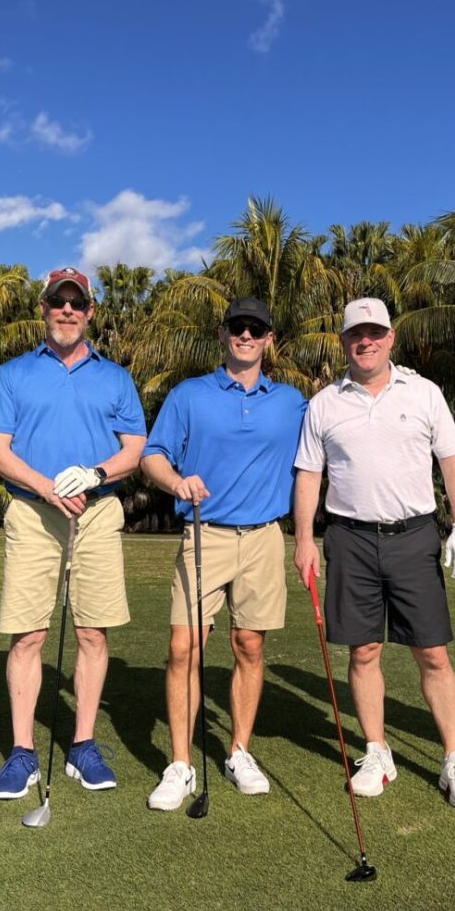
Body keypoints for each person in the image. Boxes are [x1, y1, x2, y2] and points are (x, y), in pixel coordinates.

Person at [292, 298, 455, 809]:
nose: (366, 341)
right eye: (357, 334)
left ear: (390, 337)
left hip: (414, 536)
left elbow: (453, 462)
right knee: (363, 650)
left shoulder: (424, 393)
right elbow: (309, 475)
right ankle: (377, 751)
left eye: (375, 332)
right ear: (344, 341)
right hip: (349, 539)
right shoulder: (324, 403)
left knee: (433, 652)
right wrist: (305, 540)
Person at [0, 267, 146, 801]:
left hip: (97, 513)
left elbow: (135, 448)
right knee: (29, 633)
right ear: (44, 308)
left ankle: (83, 745)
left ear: (91, 311)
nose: (67, 310)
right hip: (33, 513)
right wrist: (48, 487)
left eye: (77, 302)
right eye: (58, 301)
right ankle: (23, 752)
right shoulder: (13, 374)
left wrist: (96, 474)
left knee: (94, 632)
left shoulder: (115, 377)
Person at [140, 298, 307, 811]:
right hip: (204, 530)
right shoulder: (190, 395)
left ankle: (238, 752)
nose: (246, 336)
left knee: (249, 645)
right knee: (184, 646)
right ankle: (181, 765)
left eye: (256, 329)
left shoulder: (292, 401)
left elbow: (327, 446)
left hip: (263, 536)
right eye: (238, 327)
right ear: (223, 333)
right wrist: (176, 480)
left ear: (269, 339)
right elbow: (153, 456)